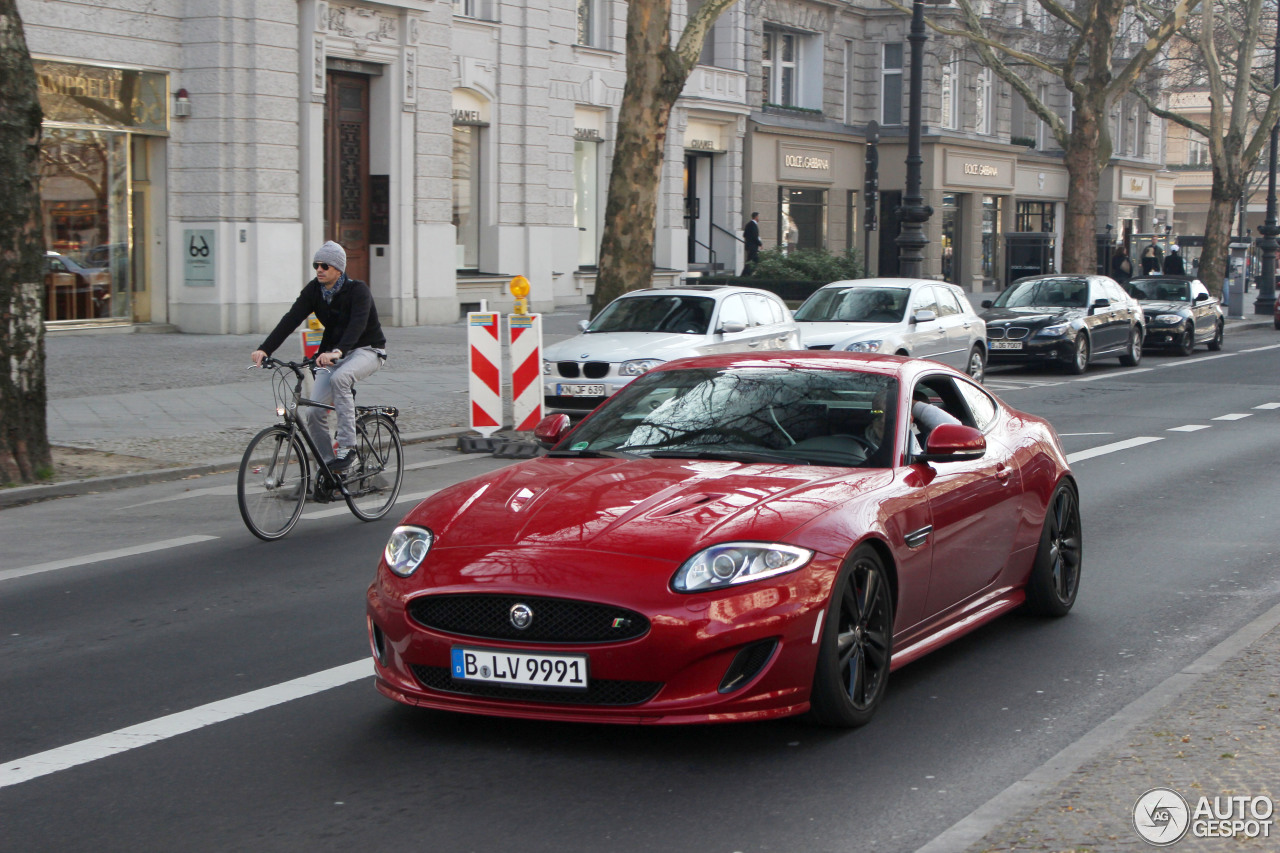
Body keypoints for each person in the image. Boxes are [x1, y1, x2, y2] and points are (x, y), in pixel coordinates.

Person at [251, 241, 386, 472]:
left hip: (367, 350)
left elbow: (357, 325)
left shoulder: (358, 291)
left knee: (340, 379)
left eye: (325, 265)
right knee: (313, 411)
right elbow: (291, 319)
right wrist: (265, 349)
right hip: (333, 354)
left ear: (339, 269)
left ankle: (348, 448)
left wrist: (338, 352)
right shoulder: (314, 290)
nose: (319, 270)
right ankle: (328, 467)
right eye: (316, 265)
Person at [742, 212, 762, 276]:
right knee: (753, 260)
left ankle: (746, 273)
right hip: (752, 246)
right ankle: (746, 274)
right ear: (756, 217)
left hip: (749, 246)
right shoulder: (753, 225)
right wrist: (760, 244)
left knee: (752, 260)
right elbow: (754, 236)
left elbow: (744, 235)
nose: (759, 218)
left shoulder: (748, 224)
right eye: (758, 217)